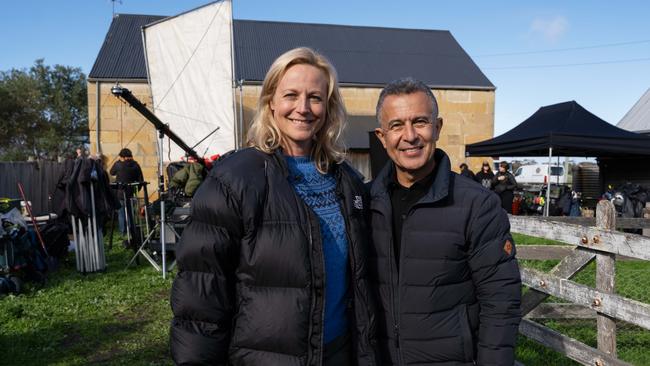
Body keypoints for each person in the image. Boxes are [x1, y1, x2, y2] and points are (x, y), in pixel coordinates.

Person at [170, 47, 378, 366]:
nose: (303, 108)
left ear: (329, 107)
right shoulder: (235, 179)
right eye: (291, 95)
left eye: (316, 97)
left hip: (340, 353)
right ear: (271, 101)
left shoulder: (348, 180)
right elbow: (201, 296)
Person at [370, 77, 521, 365]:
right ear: (382, 136)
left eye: (420, 122)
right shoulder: (365, 202)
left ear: (437, 127)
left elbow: (500, 301)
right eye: (397, 125)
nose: (410, 135)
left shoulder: (476, 205)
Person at [109, 148, 143, 235]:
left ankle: (123, 232)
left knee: (121, 214)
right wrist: (136, 190)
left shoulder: (118, 164)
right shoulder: (136, 165)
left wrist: (118, 161)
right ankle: (132, 231)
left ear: (123, 157)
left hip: (120, 192)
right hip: (132, 193)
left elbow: (112, 172)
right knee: (131, 213)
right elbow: (141, 180)